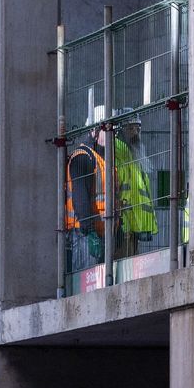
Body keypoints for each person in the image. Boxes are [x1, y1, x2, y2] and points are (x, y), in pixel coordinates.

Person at [65, 105, 118, 271]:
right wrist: (89, 232)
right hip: (84, 235)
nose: (112, 136)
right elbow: (80, 197)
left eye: (114, 132)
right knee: (87, 284)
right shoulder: (83, 157)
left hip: (103, 233)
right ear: (95, 130)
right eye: (108, 131)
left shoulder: (103, 159)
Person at [114, 108, 158, 255]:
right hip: (122, 226)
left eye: (138, 127)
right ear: (120, 130)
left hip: (134, 227)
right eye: (130, 128)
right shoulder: (117, 154)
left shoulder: (136, 156)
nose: (135, 132)